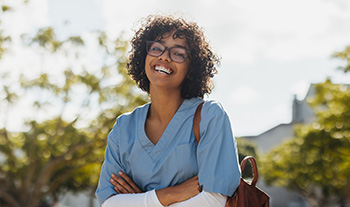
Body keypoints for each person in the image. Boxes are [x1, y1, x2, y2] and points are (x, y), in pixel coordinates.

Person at [95, 14, 241, 207]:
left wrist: (140, 200)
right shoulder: (124, 127)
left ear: (191, 68)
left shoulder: (210, 117)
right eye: (156, 48)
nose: (164, 56)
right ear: (144, 56)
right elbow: (109, 203)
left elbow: (214, 200)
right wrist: (172, 193)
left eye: (178, 53)